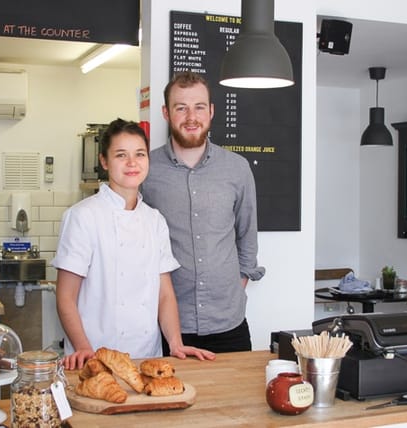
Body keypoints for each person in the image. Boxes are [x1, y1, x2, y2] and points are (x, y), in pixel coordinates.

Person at [52, 118, 215, 370]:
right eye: (121, 155)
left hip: (147, 358)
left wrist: (176, 343)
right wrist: (84, 348)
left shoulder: (154, 220)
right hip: (94, 358)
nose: (132, 163)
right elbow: (65, 296)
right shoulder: (83, 216)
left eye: (139, 154)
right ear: (104, 161)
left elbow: (164, 294)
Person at [141, 72, 265, 354]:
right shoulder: (146, 170)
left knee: (234, 398)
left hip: (229, 323)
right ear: (166, 113)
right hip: (166, 326)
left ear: (211, 111)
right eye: (180, 107)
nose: (191, 116)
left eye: (199, 107)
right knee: (169, 399)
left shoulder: (237, 168)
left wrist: (238, 285)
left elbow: (247, 237)